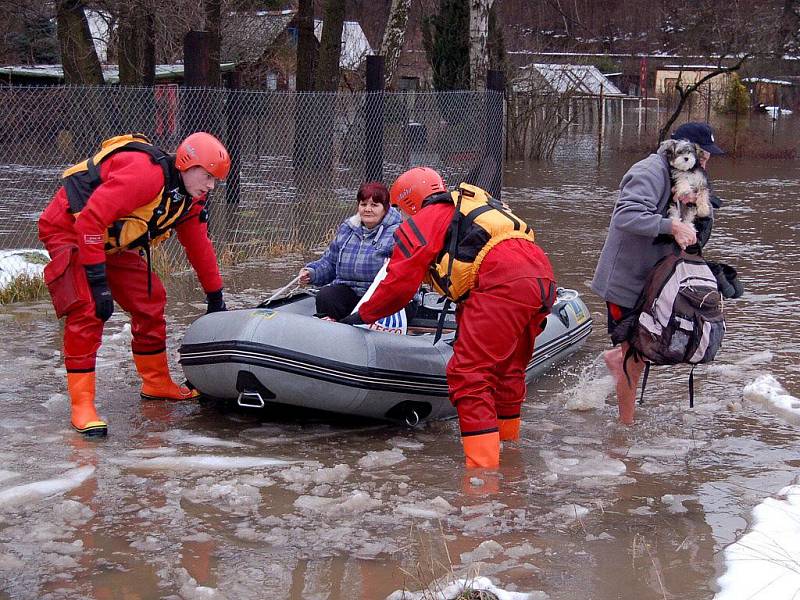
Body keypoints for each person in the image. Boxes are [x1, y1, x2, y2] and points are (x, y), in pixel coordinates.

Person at [339, 168, 556, 469]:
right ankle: (509, 451)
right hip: (541, 277)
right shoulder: (469, 206)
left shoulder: (424, 220)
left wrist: (361, 315)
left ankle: (483, 476)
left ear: (408, 203)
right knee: (508, 369)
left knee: (469, 376)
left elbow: (398, 285)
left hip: (502, 282)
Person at [38, 131, 231, 437]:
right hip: (70, 229)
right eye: (207, 176)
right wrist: (99, 283)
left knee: (151, 298)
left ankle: (156, 383)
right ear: (186, 164)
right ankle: (82, 406)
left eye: (215, 180)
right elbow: (89, 221)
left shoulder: (190, 200)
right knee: (88, 309)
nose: (210, 185)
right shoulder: (145, 176)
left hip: (107, 242)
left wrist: (215, 295)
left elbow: (199, 246)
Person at [591, 121, 725, 425]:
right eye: (702, 157)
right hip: (626, 282)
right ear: (684, 152)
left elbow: (698, 230)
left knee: (658, 343)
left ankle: (620, 360)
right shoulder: (649, 171)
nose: (705, 164)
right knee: (633, 355)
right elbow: (626, 215)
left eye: (707, 159)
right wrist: (671, 225)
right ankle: (625, 429)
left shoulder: (693, 179)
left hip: (660, 283)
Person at [298, 182, 402, 320]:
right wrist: (311, 273)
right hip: (349, 291)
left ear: (385, 208)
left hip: (380, 295)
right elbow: (330, 263)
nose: (368, 209)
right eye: (363, 204)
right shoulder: (347, 229)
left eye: (374, 205)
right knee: (326, 295)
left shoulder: (399, 232)